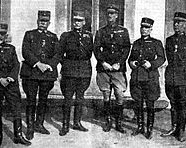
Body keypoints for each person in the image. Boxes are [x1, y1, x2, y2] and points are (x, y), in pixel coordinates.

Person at [0, 23, 31, 147]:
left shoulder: (11, 48)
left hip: (10, 83)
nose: (0, 36)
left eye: (2, 34)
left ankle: (18, 135)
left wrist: (10, 78)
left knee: (16, 108)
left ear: (6, 35)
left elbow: (16, 65)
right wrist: (0, 80)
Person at [160, 12, 186, 142]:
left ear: (185, 24)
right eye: (175, 22)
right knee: (172, 103)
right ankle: (174, 127)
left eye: (179, 23)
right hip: (171, 77)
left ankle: (181, 131)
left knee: (182, 105)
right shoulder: (169, 40)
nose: (176, 25)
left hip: (184, 79)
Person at [20, 10, 60, 140]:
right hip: (32, 72)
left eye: (45, 21)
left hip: (47, 73)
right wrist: (38, 64)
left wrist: (49, 65)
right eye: (41, 21)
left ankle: (39, 124)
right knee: (31, 100)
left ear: (49, 23)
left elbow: (57, 54)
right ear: (37, 22)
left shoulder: (53, 37)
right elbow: (25, 51)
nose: (43, 23)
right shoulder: (29, 34)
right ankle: (30, 128)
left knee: (43, 100)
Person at [94, 4, 131, 134]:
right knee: (106, 94)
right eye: (108, 13)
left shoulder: (123, 31)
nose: (110, 16)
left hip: (118, 69)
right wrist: (103, 62)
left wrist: (119, 63)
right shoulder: (101, 31)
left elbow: (126, 48)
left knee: (119, 94)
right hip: (104, 68)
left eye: (113, 14)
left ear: (117, 15)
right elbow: (96, 48)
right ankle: (108, 121)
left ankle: (119, 123)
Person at [128, 17, 165, 139]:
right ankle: (140, 127)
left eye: (147, 28)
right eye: (142, 27)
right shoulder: (136, 43)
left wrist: (152, 64)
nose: (144, 30)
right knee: (138, 103)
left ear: (151, 29)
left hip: (150, 77)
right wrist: (131, 63)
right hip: (137, 77)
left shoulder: (156, 43)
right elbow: (130, 59)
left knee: (150, 104)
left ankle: (149, 129)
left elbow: (161, 58)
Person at [59, 10, 93, 136]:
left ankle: (77, 122)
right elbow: (59, 53)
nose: (77, 23)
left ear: (84, 22)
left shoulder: (89, 35)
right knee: (67, 98)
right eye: (75, 20)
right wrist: (67, 64)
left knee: (80, 97)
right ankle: (65, 125)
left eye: (79, 20)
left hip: (84, 70)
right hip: (69, 71)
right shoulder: (66, 35)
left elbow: (89, 53)